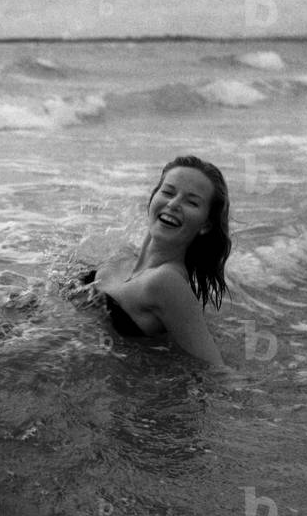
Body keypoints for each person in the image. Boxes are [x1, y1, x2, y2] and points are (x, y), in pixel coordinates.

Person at [80, 155, 231, 366]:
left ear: (205, 225)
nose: (174, 203)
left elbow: (216, 368)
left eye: (192, 202)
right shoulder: (124, 255)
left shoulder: (166, 282)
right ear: (153, 199)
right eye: (168, 192)